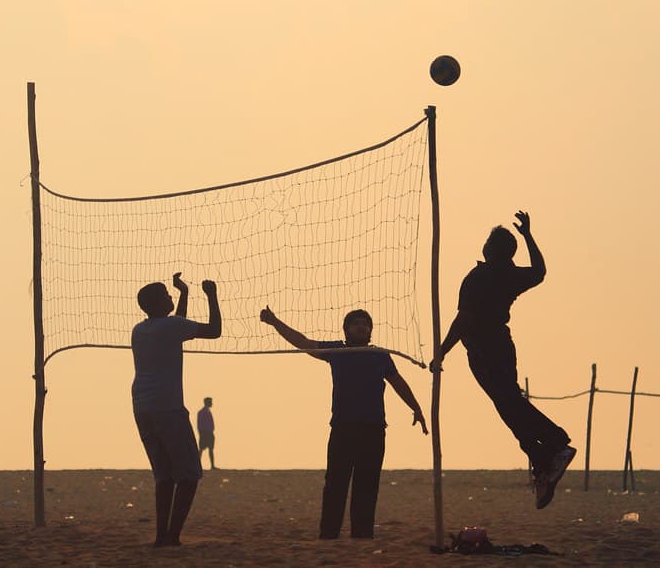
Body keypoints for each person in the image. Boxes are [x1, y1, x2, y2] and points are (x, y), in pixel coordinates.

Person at [432, 211, 575, 509]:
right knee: (508, 403)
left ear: (489, 249)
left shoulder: (479, 276)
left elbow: (464, 320)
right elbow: (539, 271)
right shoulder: (510, 275)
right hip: (501, 344)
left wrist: (442, 351)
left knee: (509, 402)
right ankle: (543, 459)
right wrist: (528, 236)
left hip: (485, 348)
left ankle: (556, 443)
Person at [260, 305, 427, 540]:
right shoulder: (337, 351)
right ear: (347, 329)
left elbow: (397, 381)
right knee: (335, 484)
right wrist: (275, 322)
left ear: (370, 331)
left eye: (366, 324)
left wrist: (416, 408)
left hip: (373, 428)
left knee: (367, 485)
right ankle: (328, 534)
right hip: (343, 428)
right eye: (356, 323)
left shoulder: (379, 354)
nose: (362, 326)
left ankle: (362, 535)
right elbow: (304, 342)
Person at [132, 272, 221, 548]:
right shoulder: (170, 328)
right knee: (190, 475)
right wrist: (211, 295)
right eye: (168, 296)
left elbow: (177, 326)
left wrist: (183, 294)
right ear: (159, 303)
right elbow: (214, 330)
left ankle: (162, 535)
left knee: (165, 475)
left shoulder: (140, 329)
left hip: (142, 406)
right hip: (166, 408)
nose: (171, 298)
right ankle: (172, 536)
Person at [196, 397, 217, 470]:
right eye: (210, 402)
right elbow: (199, 424)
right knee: (201, 449)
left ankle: (212, 465)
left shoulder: (207, 411)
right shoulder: (202, 412)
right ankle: (197, 465)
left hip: (209, 433)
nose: (212, 403)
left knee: (210, 449)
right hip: (204, 433)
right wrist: (201, 433)